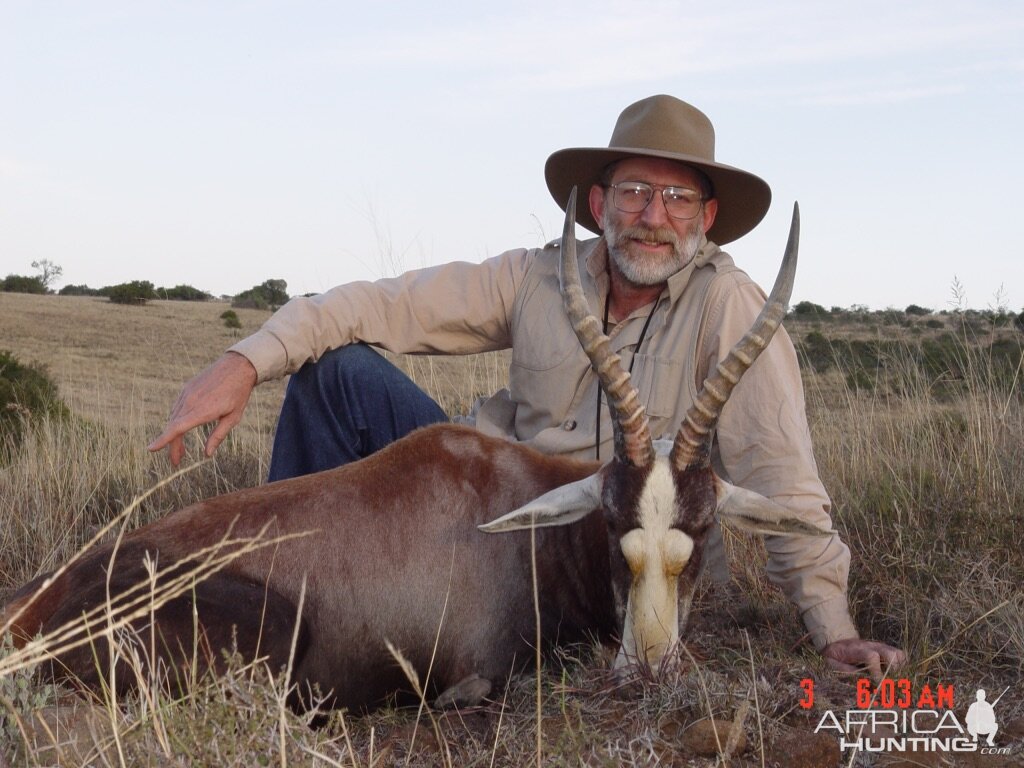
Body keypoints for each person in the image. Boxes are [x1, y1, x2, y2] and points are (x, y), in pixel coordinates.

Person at [149, 94, 905, 679]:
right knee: (337, 374)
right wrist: (248, 359)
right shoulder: (539, 275)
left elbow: (781, 468)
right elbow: (379, 304)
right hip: (493, 511)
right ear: (600, 204)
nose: (652, 218)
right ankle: (281, 590)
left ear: (706, 218)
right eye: (636, 192)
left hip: (611, 547)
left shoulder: (728, 302)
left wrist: (832, 629)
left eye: (677, 200)